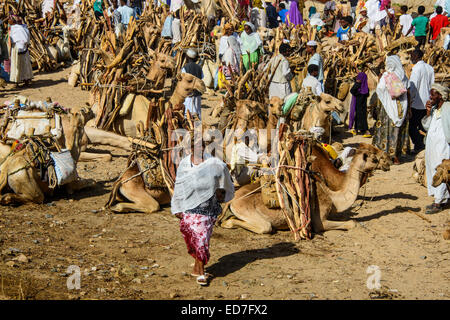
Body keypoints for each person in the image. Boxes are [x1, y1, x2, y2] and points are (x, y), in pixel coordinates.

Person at [172, 143, 234, 286]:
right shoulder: (184, 164)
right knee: (195, 240)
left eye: (202, 146)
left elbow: (224, 178)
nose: (199, 149)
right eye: (196, 146)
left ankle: (201, 272)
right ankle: (196, 267)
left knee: (202, 240)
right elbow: (179, 186)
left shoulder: (214, 164)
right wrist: (177, 207)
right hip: (189, 207)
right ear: (191, 149)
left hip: (208, 209)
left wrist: (220, 192)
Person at [372, 55, 410, 165]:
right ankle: (396, 155)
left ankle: (386, 154)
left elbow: (379, 90)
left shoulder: (386, 76)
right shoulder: (403, 76)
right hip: (402, 108)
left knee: (386, 130)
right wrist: (409, 109)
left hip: (387, 109)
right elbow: (408, 92)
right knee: (398, 130)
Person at [421, 84, 450, 214]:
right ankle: (439, 198)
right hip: (432, 145)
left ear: (440, 96)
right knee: (432, 168)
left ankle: (439, 202)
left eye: (433, 94)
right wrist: (428, 112)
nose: (430, 97)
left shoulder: (448, 108)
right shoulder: (434, 110)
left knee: (441, 171)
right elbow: (427, 127)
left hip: (443, 146)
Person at [408, 49, 435, 154]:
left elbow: (413, 87)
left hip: (417, 102)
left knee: (412, 127)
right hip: (427, 101)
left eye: (412, 56)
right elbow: (432, 84)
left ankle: (419, 145)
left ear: (416, 56)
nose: (411, 58)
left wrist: (411, 100)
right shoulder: (430, 68)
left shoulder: (416, 69)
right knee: (423, 125)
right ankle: (423, 144)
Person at [8, 15, 33, 87]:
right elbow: (27, 39)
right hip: (24, 47)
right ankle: (26, 80)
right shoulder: (24, 28)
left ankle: (16, 82)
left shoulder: (13, 29)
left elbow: (10, 40)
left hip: (16, 48)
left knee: (16, 65)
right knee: (25, 64)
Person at [181, 49, 204, 119]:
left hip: (188, 94)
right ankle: (198, 128)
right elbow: (202, 77)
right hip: (197, 94)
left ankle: (189, 128)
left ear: (187, 57)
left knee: (188, 113)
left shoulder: (185, 68)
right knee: (197, 111)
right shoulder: (199, 68)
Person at [349, 71, 371, 137]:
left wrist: (358, 94)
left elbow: (367, 94)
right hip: (358, 104)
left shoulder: (364, 86)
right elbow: (352, 91)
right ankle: (358, 129)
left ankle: (363, 130)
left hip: (362, 104)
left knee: (362, 117)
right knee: (359, 116)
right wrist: (358, 94)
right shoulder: (358, 85)